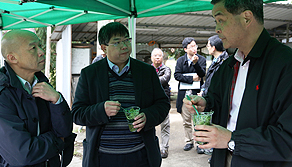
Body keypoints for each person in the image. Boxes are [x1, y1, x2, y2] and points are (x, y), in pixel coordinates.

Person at [183, 0, 292, 167]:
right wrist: (206, 104)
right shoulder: (229, 65)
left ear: (247, 18)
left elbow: (287, 139)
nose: (217, 29)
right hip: (222, 158)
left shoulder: (284, 64)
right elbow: (222, 103)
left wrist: (232, 140)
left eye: (221, 20)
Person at [72, 22, 170, 167]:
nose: (124, 46)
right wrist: (101, 110)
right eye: (117, 42)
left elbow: (162, 104)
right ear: (104, 47)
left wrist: (147, 116)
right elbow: (77, 114)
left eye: (126, 40)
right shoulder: (90, 74)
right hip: (102, 157)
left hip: (140, 155)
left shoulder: (146, 72)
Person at [0, 30, 75, 167]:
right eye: (33, 48)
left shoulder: (43, 84)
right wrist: (58, 141)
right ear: (12, 58)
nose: (42, 51)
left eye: (40, 46)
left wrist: (57, 100)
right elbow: (23, 153)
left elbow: (64, 131)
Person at [196, 35, 229, 159]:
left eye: (208, 45)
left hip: (218, 100)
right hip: (209, 97)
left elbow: (219, 85)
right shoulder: (215, 61)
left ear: (214, 48)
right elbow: (209, 80)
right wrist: (203, 92)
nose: (207, 48)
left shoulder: (225, 63)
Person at [174, 37, 206, 151]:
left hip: (196, 95)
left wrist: (195, 63)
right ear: (185, 49)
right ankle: (188, 141)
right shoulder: (180, 61)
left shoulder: (201, 59)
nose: (194, 48)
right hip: (184, 95)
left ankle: (199, 143)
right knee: (186, 121)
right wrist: (191, 78)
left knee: (197, 120)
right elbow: (177, 75)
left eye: (195, 45)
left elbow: (202, 73)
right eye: (191, 46)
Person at [151, 48, 171, 159]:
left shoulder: (166, 69)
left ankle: (164, 148)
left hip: (164, 101)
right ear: (151, 58)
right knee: (150, 125)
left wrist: (151, 80)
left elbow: (165, 79)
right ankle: (152, 146)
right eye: (155, 55)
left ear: (162, 57)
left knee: (165, 125)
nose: (157, 57)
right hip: (151, 102)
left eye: (159, 55)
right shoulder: (148, 69)